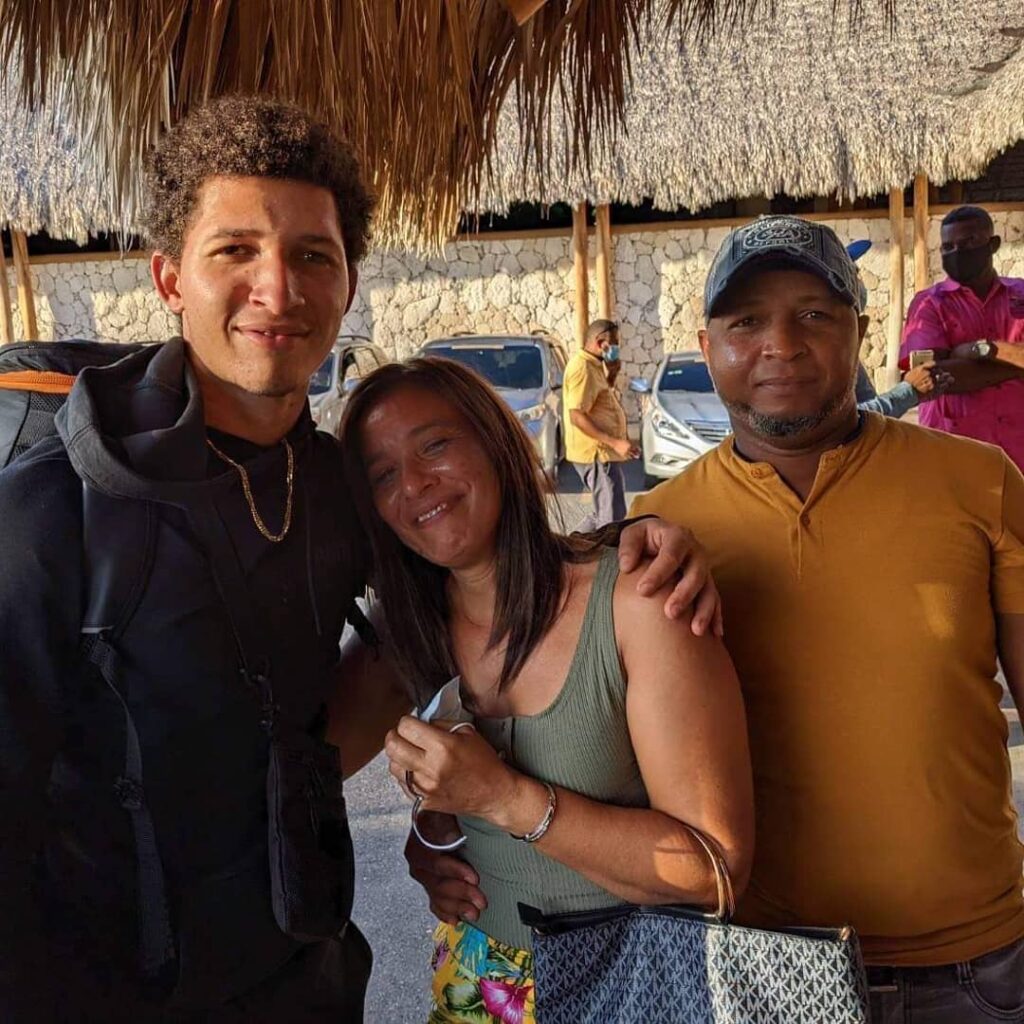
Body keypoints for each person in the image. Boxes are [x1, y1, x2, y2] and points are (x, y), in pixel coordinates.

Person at [0, 96, 719, 1023]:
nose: (278, 287)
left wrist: (634, 538)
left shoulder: (344, 490)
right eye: (235, 250)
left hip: (309, 979)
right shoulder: (51, 508)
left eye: (312, 256)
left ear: (347, 284)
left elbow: (466, 584)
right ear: (170, 279)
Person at [419, 214, 1024, 1022]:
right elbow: (530, 685)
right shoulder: (652, 531)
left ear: (860, 331)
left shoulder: (980, 483)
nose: (781, 344)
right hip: (756, 970)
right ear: (708, 349)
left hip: (975, 965)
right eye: (746, 322)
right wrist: (443, 840)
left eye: (814, 313)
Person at [338, 357, 754, 1023]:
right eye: (383, 475)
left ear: (496, 441)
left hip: (636, 986)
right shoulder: (408, 630)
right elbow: (296, 761)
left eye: (435, 445)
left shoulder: (638, 601)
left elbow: (715, 873)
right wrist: (434, 831)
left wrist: (500, 798)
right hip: (479, 983)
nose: (413, 484)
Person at [900, 204, 1024, 468]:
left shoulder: (1021, 295)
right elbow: (932, 376)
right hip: (955, 457)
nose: (957, 252)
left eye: (968, 242)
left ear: (993, 244)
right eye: (948, 247)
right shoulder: (928, 305)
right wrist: (1016, 363)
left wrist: (979, 349)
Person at [562, 319, 638, 528]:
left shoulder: (594, 365)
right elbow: (577, 415)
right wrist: (615, 443)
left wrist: (611, 374)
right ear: (600, 343)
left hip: (603, 452)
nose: (616, 348)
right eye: (614, 344)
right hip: (597, 453)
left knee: (607, 514)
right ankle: (603, 552)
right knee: (611, 519)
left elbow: (600, 402)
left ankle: (572, 545)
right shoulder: (582, 368)